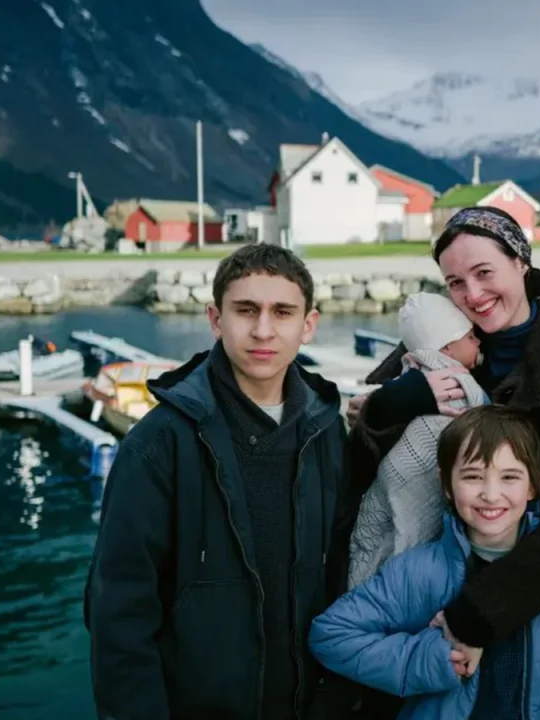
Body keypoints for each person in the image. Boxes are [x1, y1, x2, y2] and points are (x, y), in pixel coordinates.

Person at [345, 206, 540, 715]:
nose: (472, 294)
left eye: (484, 272)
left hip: (520, 602)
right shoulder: (432, 349)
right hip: (411, 587)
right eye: (455, 282)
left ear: (521, 262)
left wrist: (479, 612)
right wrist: (393, 403)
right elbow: (363, 471)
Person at [84, 244, 352, 719]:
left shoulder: (327, 429)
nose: (263, 330)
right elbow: (119, 616)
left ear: (308, 325)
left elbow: (341, 578)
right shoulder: (157, 444)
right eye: (245, 310)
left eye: (282, 312)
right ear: (215, 318)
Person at [311, 406, 540, 719]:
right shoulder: (419, 572)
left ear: (534, 484)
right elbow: (331, 635)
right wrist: (428, 657)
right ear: (446, 485)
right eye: (473, 476)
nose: (491, 495)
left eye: (509, 477)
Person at [347, 291, 489, 590]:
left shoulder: (402, 379)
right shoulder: (456, 382)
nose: (478, 341)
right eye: (470, 336)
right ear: (447, 348)